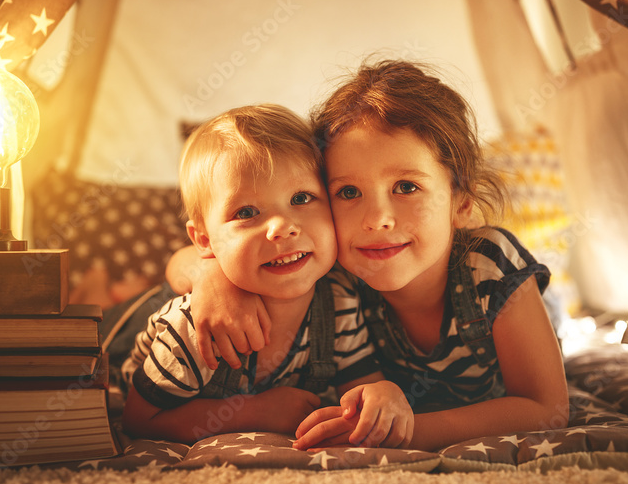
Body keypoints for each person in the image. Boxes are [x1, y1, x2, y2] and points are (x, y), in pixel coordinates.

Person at [174, 61, 569, 452]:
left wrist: (404, 430)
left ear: (462, 201)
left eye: (406, 186)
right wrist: (215, 280)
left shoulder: (491, 265)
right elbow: (179, 262)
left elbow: (546, 407)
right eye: (348, 192)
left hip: (533, 308)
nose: (377, 219)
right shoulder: (335, 276)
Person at [121, 104, 412, 446]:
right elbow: (138, 419)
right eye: (247, 212)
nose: (282, 227)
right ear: (204, 239)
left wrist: (383, 394)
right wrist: (250, 411)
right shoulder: (192, 329)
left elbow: (360, 387)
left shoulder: (339, 299)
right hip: (134, 330)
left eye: (302, 198)